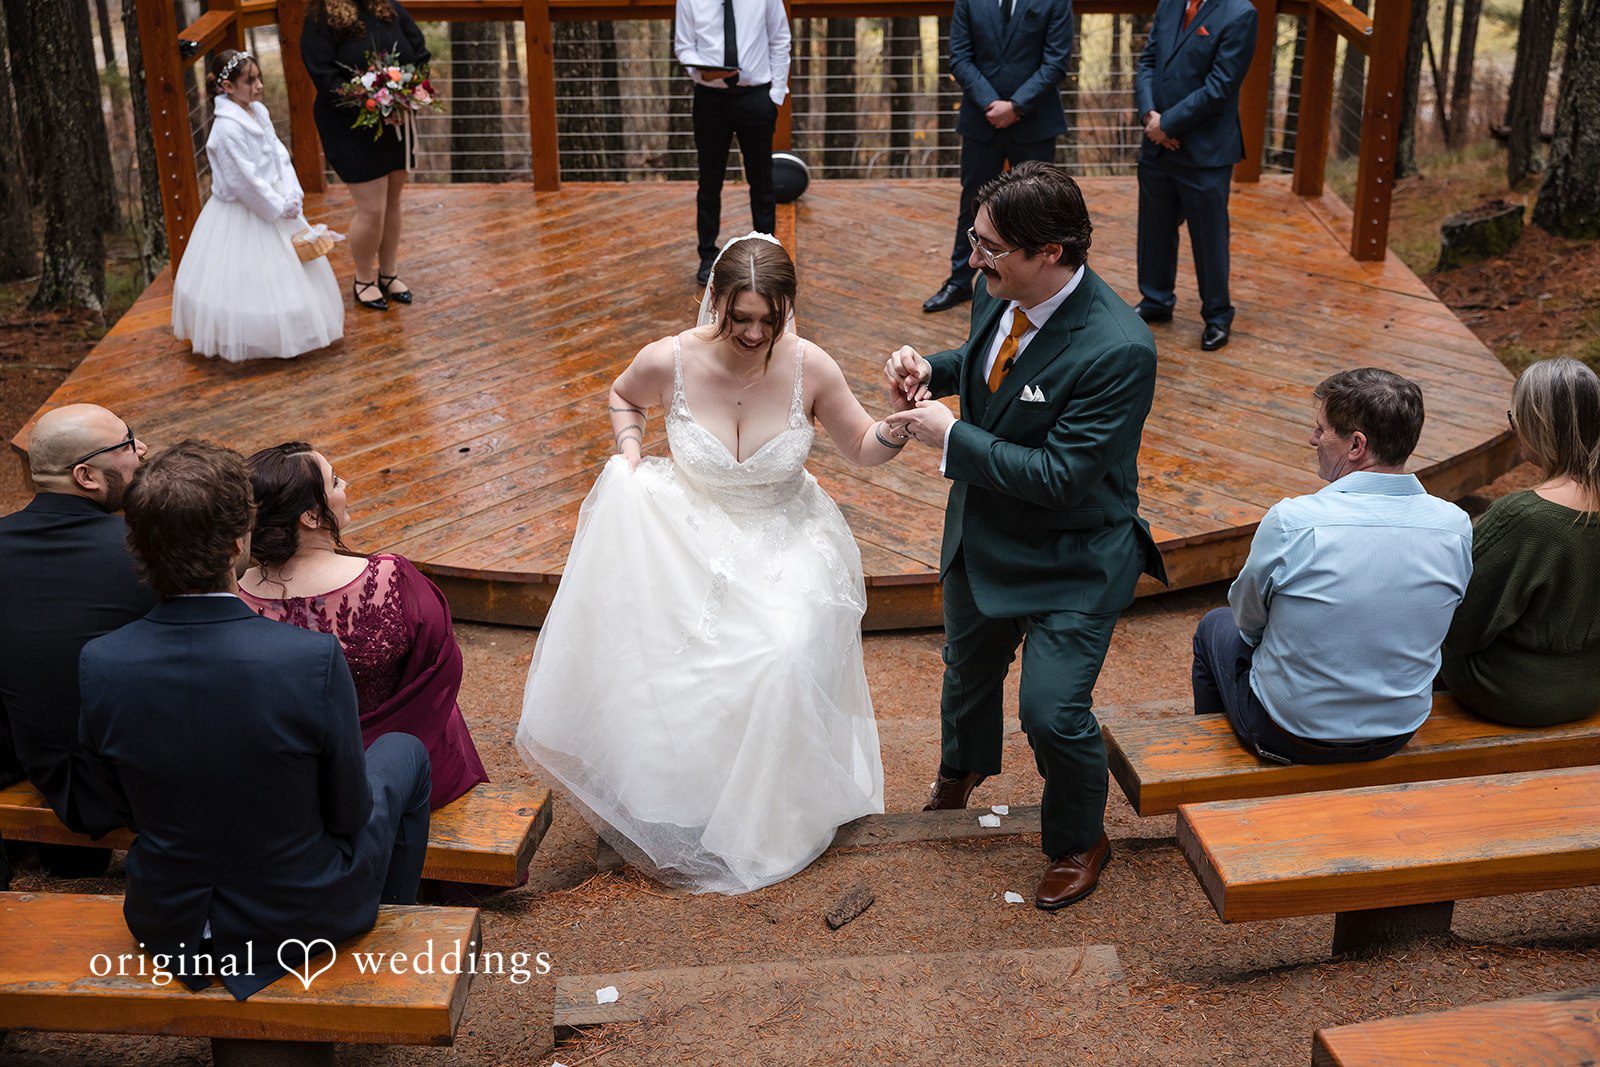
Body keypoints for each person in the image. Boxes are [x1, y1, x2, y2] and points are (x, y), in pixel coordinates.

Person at [517, 234, 901, 894]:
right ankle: (686, 802)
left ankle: (771, 814)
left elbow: (862, 444)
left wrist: (898, 427)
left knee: (779, 653)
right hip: (692, 529)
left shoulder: (812, 366)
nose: (754, 333)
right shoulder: (670, 358)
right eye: (740, 316)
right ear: (715, 301)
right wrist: (631, 451)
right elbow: (622, 394)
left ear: (787, 309)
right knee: (684, 655)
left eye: (768, 318)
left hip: (786, 538)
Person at [885, 163, 1166, 909]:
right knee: (967, 665)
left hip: (1073, 552)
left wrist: (951, 438)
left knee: (1052, 710)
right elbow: (990, 369)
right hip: (984, 530)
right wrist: (930, 368)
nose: (972, 261)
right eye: (974, 242)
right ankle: (961, 768)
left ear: (1050, 252)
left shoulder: (1119, 348)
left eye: (989, 248)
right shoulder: (997, 287)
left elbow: (1061, 476)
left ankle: (1080, 837)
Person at [76, 440, 432, 1001]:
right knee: (405, 751)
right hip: (302, 918)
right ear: (238, 542)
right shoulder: (308, 660)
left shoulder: (100, 662)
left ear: (138, 546)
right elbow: (349, 810)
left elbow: (112, 800)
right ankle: (393, 922)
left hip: (169, 919)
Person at [1192, 368, 1474, 764]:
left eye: (1321, 429)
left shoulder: (1294, 521)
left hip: (1292, 733)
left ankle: (1211, 770)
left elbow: (1247, 619)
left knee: (1213, 627)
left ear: (1357, 445)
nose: (1312, 439)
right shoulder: (1455, 526)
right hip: (1398, 730)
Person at [238, 443, 489, 809]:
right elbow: (440, 666)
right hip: (398, 774)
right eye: (335, 481)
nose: (347, 485)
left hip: (288, 781)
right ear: (310, 515)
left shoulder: (236, 598)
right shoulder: (390, 578)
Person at [0, 405, 155, 878]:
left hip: (17, 754)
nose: (141, 450)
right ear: (86, 476)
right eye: (128, 443)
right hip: (119, 767)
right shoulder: (144, 550)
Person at [1441, 357, 1600, 726]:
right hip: (1592, 684)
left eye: (1514, 418)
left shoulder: (1525, 517)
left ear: (1536, 424)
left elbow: (1460, 628)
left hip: (1512, 691)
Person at [171, 50, 343, 362]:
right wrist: (277, 206)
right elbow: (243, 181)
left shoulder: (257, 112)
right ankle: (248, 334)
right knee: (248, 278)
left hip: (277, 199)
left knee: (290, 274)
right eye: (250, 81)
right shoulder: (226, 131)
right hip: (248, 208)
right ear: (228, 88)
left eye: (259, 78)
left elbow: (278, 154)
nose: (259, 86)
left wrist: (292, 193)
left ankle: (291, 327)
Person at [922, 0, 1074, 314]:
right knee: (973, 202)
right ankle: (960, 280)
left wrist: (1016, 106)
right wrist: (991, 103)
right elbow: (960, 57)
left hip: (1034, 120)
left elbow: (1056, 62)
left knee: (1038, 207)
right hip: (982, 118)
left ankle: (1038, 287)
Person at [1132, 0, 1257, 351]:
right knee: (1154, 229)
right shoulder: (1169, 4)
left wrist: (1168, 124)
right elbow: (1147, 62)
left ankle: (1217, 315)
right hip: (1156, 144)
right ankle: (1156, 301)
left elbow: (1221, 87)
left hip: (1205, 151)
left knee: (1209, 238)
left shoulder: (1240, 13)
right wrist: (1149, 117)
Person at [302, 0, 429, 311]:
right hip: (350, 124)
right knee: (372, 208)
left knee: (393, 201)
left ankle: (389, 273)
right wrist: (368, 103)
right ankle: (364, 279)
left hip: (395, 120)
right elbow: (323, 73)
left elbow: (419, 50)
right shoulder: (321, 17)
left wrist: (405, 93)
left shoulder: (388, 7)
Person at [673, 0, 791, 286]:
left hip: (756, 97)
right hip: (710, 99)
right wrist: (702, 74)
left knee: (761, 180)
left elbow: (780, 39)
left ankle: (766, 254)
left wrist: (775, 96)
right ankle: (707, 256)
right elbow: (684, 46)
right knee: (710, 181)